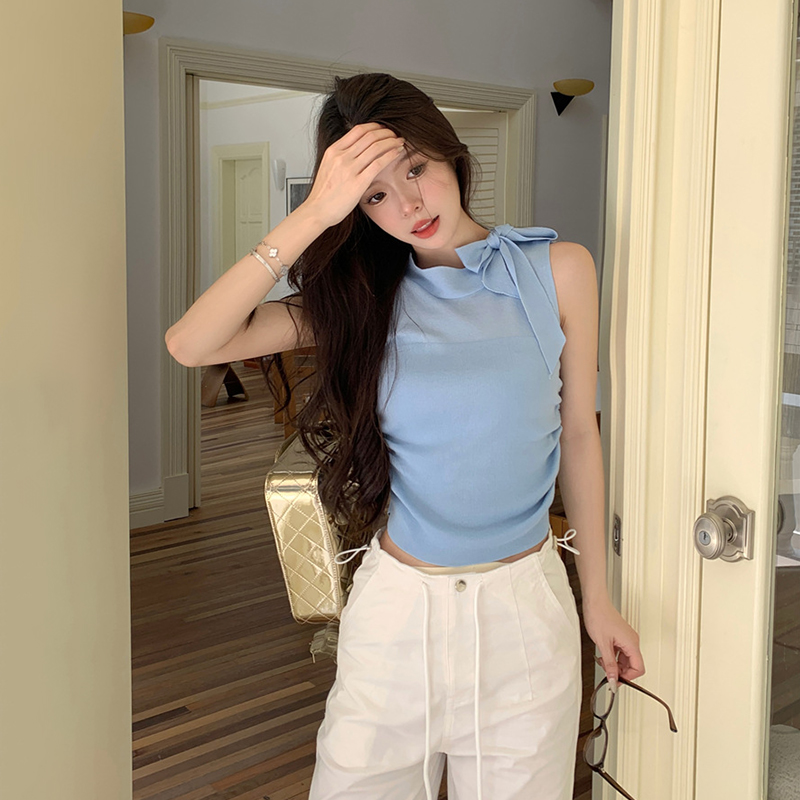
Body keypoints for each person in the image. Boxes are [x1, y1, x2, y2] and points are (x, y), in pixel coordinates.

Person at [165, 72, 645, 800]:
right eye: (374, 196)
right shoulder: (360, 300)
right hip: (397, 617)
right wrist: (315, 212)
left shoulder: (558, 270)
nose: (408, 205)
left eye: (415, 168)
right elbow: (191, 344)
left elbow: (579, 434)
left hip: (525, 613)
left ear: (451, 154)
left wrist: (597, 600)